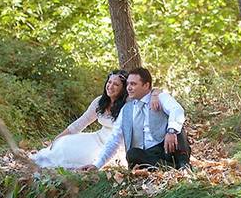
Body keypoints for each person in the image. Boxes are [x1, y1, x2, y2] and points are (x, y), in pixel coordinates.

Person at [31, 70, 161, 169]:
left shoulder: (129, 102)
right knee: (63, 144)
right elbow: (81, 123)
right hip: (96, 138)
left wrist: (155, 95)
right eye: (109, 82)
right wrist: (58, 137)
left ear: (123, 88)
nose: (111, 86)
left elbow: (152, 91)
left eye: (116, 84)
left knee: (79, 157)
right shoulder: (100, 102)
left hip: (114, 147)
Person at [81, 67, 188, 171]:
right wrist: (97, 165)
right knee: (132, 154)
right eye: (128, 84)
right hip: (147, 156)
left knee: (177, 126)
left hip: (167, 147)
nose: (128, 88)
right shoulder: (126, 110)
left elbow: (177, 110)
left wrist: (171, 131)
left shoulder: (159, 97)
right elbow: (114, 139)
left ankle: (184, 166)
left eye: (133, 84)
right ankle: (170, 169)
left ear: (146, 85)